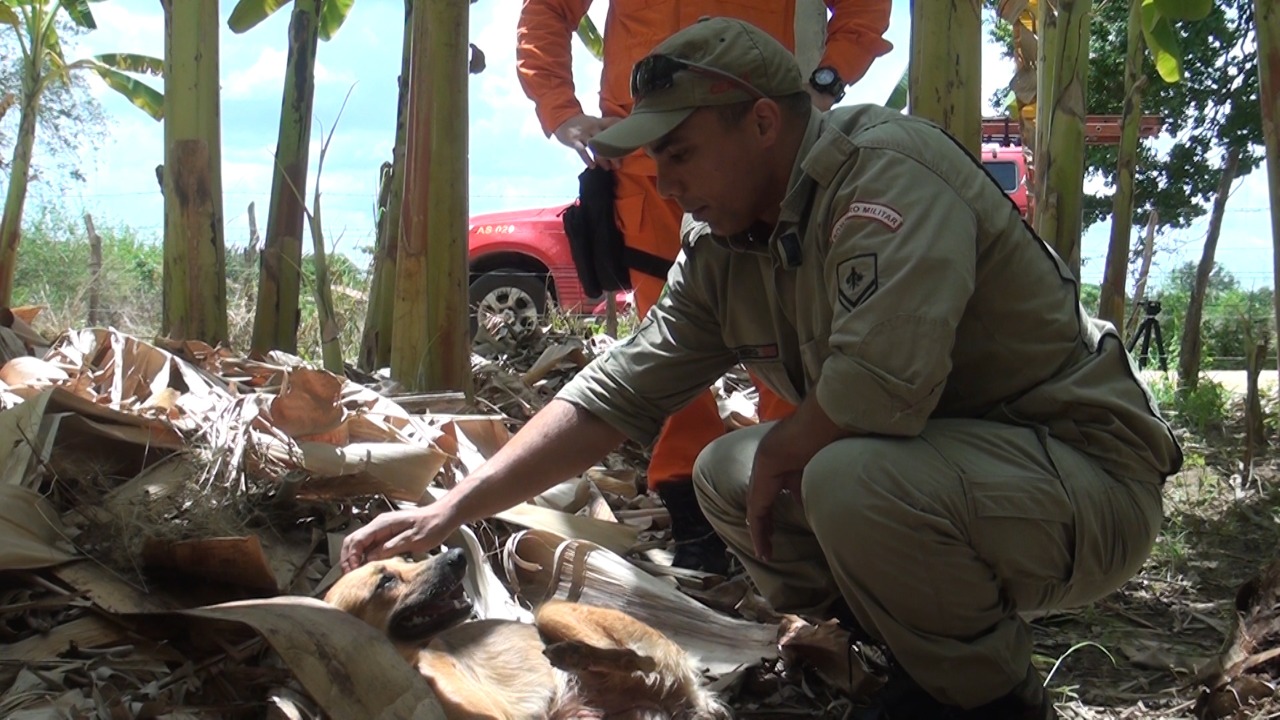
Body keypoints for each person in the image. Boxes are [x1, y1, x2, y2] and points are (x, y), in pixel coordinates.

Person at [344, 17, 1183, 719]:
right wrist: (450, 509)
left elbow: (877, 393)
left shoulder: (886, 177)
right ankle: (900, 660)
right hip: (954, 478)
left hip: (1083, 482)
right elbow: (617, 393)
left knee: (837, 473)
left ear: (762, 123)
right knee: (724, 470)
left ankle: (991, 702)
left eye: (680, 153)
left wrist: (787, 453)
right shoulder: (724, 246)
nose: (664, 184)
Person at [515, 0, 892, 573]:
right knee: (664, 359)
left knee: (786, 337)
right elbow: (546, 9)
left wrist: (826, 79)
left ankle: (794, 507)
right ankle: (692, 514)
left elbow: (865, 8)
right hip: (644, 172)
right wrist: (560, 110)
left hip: (760, 161)